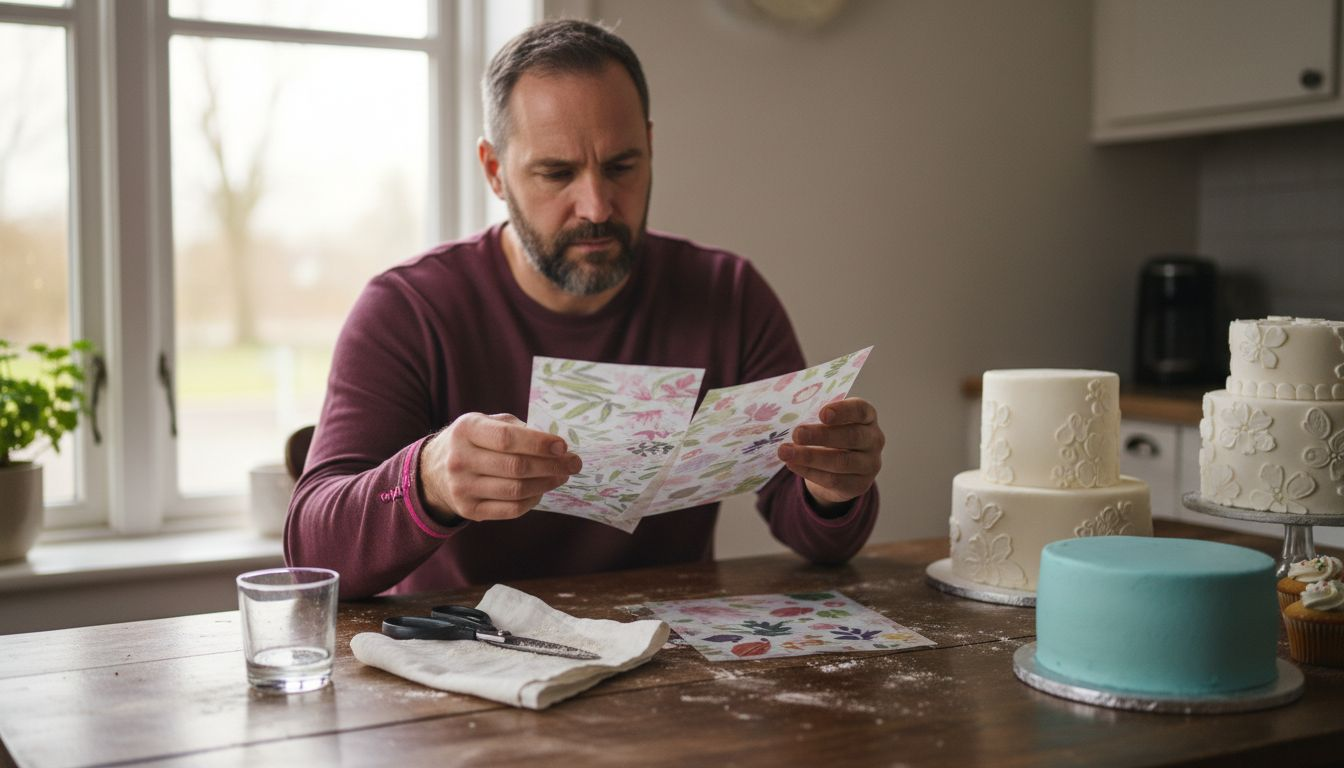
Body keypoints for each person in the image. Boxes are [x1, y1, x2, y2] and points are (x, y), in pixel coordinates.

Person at [285, 19, 885, 599]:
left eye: (622, 166)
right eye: (556, 172)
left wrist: (831, 488)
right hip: (465, 658)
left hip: (670, 666)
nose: (597, 205)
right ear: (495, 171)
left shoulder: (728, 294)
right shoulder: (408, 309)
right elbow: (312, 550)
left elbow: (815, 533)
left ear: (650, 146)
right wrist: (429, 479)